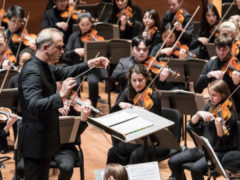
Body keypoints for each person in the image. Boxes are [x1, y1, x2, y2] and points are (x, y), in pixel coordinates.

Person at [18, 28, 109, 180]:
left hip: (44, 140)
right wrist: (60, 95)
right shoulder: (32, 71)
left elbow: (65, 72)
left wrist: (90, 64)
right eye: (58, 47)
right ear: (46, 47)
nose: (62, 51)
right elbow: (33, 105)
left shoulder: (43, 65)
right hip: (35, 143)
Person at [168, 79, 238, 180]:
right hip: (204, 148)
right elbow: (191, 129)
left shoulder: (230, 116)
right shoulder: (209, 106)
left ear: (223, 95)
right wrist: (197, 114)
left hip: (218, 152)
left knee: (195, 169)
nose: (210, 98)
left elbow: (223, 143)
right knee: (172, 161)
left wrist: (219, 128)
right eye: (209, 94)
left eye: (214, 95)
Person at [108, 64, 170, 165]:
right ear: (130, 80)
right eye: (134, 80)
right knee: (115, 148)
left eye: (140, 80)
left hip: (148, 138)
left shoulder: (153, 96)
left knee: (119, 153)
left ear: (146, 79)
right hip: (132, 133)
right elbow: (112, 113)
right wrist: (120, 104)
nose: (137, 84)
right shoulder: (128, 92)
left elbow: (156, 123)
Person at [63, 12, 104, 108]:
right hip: (77, 67)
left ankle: (93, 106)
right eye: (82, 25)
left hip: (92, 68)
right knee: (75, 83)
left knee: (93, 82)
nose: (85, 27)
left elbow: (102, 51)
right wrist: (75, 51)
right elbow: (66, 54)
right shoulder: (73, 36)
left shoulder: (95, 36)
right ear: (78, 25)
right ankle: (79, 106)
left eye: (87, 25)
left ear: (91, 24)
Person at [194, 34, 240, 115]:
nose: (221, 53)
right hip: (214, 104)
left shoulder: (236, 66)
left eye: (224, 49)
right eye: (219, 49)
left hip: (234, 106)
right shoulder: (210, 64)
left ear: (230, 48)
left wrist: (237, 83)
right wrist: (208, 75)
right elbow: (197, 88)